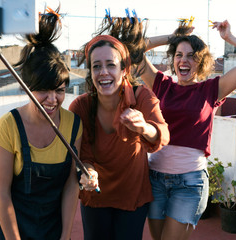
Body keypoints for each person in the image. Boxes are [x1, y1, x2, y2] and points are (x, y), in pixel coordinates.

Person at [138, 19, 236, 240]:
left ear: (201, 61)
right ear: (173, 59)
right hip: (155, 179)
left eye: (191, 55)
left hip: (189, 183)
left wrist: (229, 38)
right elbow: (134, 50)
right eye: (179, 54)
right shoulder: (162, 85)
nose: (183, 60)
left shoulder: (212, 89)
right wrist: (173, 36)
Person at [68, 19, 170, 239]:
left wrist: (144, 127)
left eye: (111, 65)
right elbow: (82, 154)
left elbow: (162, 134)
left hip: (132, 196)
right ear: (90, 72)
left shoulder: (142, 96)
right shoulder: (80, 106)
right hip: (95, 196)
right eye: (96, 66)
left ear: (124, 70)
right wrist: (88, 172)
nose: (103, 72)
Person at [0, 7, 81, 240]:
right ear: (26, 88)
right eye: (43, 90)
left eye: (59, 91)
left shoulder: (73, 125)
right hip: (10, 230)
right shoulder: (7, 127)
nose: (52, 99)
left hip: (51, 228)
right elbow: (1, 194)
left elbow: (71, 185)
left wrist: (65, 236)